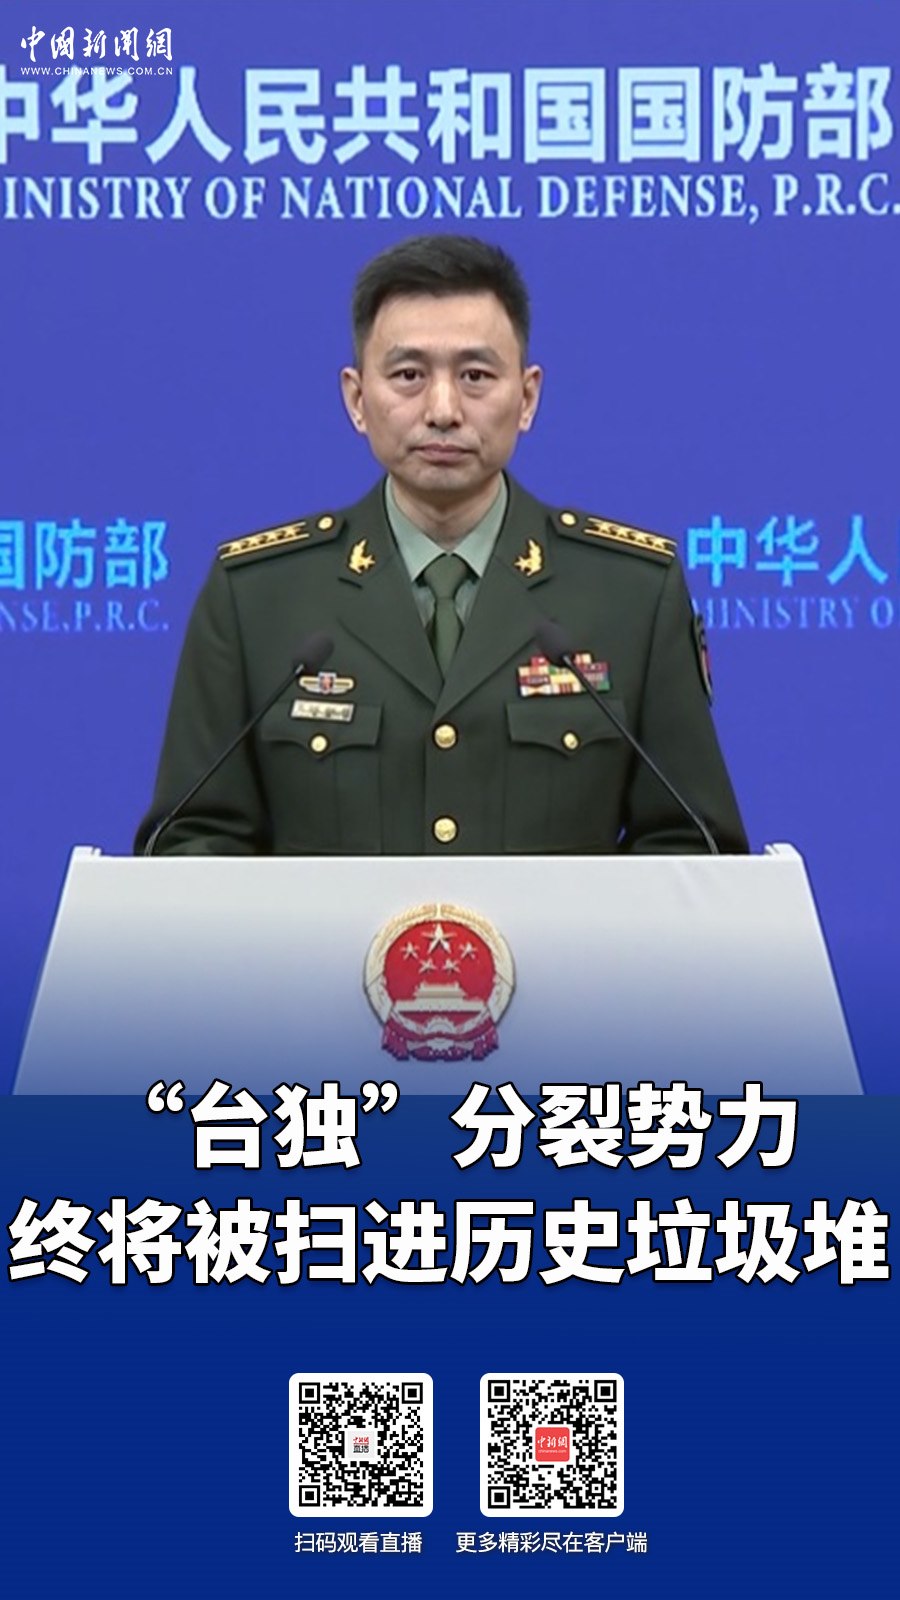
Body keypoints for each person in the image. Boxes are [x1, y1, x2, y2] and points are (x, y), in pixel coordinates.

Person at [135, 233, 747, 857]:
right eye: (409, 375)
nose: (444, 409)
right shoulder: (256, 597)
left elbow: (694, 848)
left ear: (527, 397)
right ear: (356, 399)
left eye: (476, 376)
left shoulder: (632, 593)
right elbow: (192, 840)